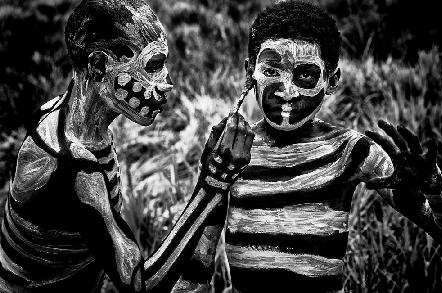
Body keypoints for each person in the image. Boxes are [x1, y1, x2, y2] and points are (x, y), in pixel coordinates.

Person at [173, 1, 442, 292]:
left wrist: (436, 187)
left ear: (332, 80)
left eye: (305, 74)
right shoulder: (230, 150)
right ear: (249, 72)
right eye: (272, 70)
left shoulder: (351, 151)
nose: (288, 91)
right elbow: (195, 268)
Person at [0, 0, 254, 292]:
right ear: (98, 65)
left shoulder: (59, 114)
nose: (167, 83)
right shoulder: (71, 164)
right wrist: (213, 181)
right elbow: (141, 285)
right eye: (153, 67)